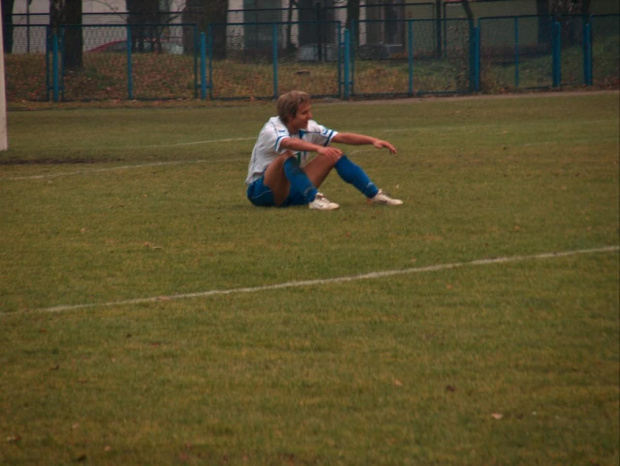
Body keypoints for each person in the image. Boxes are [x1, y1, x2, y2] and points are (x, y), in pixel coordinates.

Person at [245, 90, 403, 211]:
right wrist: (318, 148)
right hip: (262, 193)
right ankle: (314, 199)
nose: (310, 115)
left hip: (293, 192)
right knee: (286, 155)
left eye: (309, 111)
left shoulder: (309, 127)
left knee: (333, 153)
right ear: (289, 116)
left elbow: (341, 137)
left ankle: (374, 195)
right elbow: (289, 142)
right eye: (304, 113)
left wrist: (372, 140)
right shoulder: (272, 128)